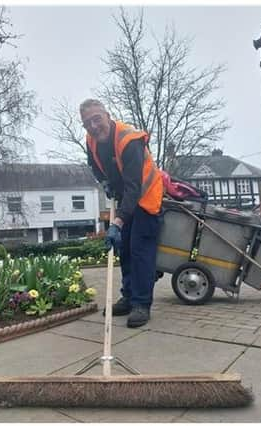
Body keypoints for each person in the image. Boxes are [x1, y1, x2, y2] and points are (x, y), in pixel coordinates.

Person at [80, 99, 164, 328]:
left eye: (97, 119)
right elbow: (94, 164)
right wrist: (104, 181)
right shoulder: (92, 140)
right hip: (125, 199)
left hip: (147, 199)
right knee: (125, 250)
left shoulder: (129, 140)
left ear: (107, 116)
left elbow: (134, 187)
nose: (94, 126)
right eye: (87, 123)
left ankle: (141, 304)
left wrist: (116, 222)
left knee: (140, 251)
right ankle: (128, 297)